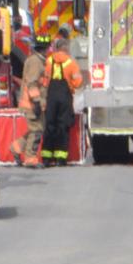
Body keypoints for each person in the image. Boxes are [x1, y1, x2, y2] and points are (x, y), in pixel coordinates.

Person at [41, 30, 85, 166]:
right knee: (63, 126)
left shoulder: (48, 61)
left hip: (51, 97)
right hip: (65, 98)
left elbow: (44, 81)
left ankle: (47, 157)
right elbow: (78, 82)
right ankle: (61, 158)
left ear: (56, 48)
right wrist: (72, 85)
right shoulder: (71, 63)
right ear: (65, 48)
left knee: (49, 125)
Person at [18, 33, 50, 166]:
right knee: (37, 130)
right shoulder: (36, 62)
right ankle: (30, 159)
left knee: (33, 129)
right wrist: (36, 101)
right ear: (44, 48)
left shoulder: (37, 60)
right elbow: (32, 83)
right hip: (31, 103)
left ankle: (16, 148)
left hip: (31, 102)